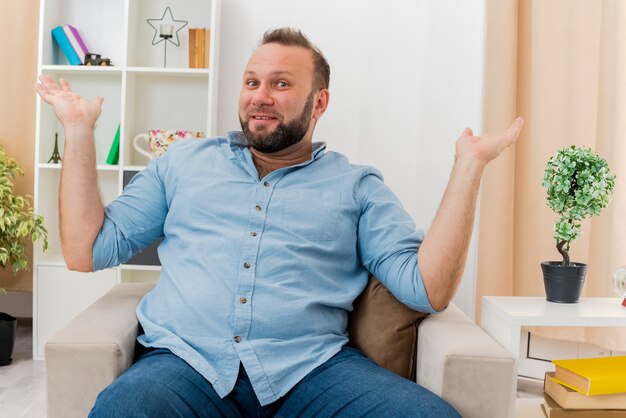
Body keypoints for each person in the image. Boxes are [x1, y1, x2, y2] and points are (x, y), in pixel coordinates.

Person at [36, 27, 523, 418]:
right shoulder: (181, 163)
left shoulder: (357, 186)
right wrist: (79, 131)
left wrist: (468, 167)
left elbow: (426, 288)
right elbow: (87, 250)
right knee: (124, 411)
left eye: (281, 83)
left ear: (320, 103)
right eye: (252, 82)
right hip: (184, 365)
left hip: (313, 370)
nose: (260, 96)